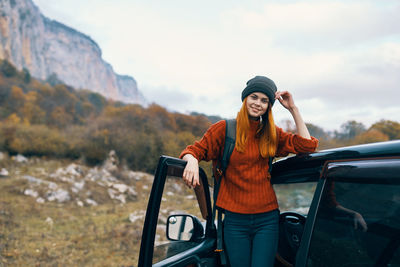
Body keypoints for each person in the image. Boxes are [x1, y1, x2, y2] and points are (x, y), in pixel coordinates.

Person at [179, 75, 319, 267]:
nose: (258, 103)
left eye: (264, 100)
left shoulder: (271, 133)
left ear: (269, 106)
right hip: (235, 221)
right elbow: (193, 151)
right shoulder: (224, 130)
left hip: (267, 219)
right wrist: (192, 161)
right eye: (254, 97)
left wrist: (293, 109)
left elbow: (306, 146)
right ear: (245, 98)